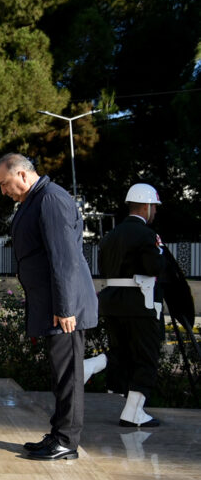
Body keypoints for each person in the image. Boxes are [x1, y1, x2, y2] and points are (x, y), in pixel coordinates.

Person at [0, 153, 98, 460]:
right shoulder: (36, 199)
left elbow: (63, 257)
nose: (3, 191)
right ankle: (58, 433)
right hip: (53, 304)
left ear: (23, 175)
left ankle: (66, 440)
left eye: (5, 183)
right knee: (60, 373)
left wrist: (65, 309)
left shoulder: (51, 199)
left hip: (63, 308)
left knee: (69, 375)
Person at [85, 183, 167, 427]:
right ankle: (134, 412)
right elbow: (154, 268)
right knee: (146, 357)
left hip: (112, 302)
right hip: (140, 304)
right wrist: (160, 254)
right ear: (146, 206)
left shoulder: (111, 235)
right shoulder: (147, 235)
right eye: (154, 207)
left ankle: (92, 364)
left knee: (123, 354)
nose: (155, 212)